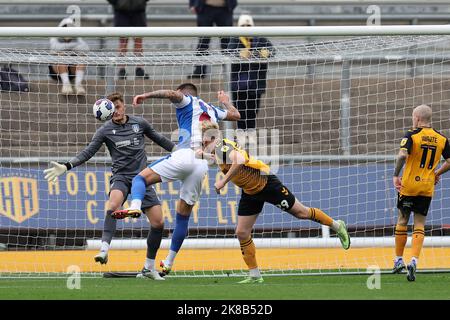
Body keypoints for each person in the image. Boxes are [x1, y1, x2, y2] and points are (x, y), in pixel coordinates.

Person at [197, 121, 351, 283]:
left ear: (210, 138)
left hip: (266, 183)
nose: (202, 141)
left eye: (203, 138)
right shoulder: (220, 149)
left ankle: (337, 226)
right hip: (251, 192)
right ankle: (255, 275)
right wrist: (203, 155)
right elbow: (217, 157)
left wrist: (223, 182)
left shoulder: (222, 146)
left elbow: (240, 159)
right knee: (242, 232)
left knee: (301, 213)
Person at [43, 92, 175, 280]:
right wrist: (67, 166)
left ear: (124, 106)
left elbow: (161, 140)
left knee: (158, 223)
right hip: (120, 177)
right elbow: (88, 152)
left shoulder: (140, 124)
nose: (115, 111)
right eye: (112, 109)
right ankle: (104, 249)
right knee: (113, 206)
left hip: (142, 178)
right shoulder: (105, 130)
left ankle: (148, 267)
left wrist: (181, 152)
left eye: (118, 107)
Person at [112, 83, 240, 276]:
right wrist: (226, 103)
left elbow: (171, 93)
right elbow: (236, 115)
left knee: (140, 179)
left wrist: (146, 94)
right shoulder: (213, 110)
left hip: (186, 154)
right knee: (183, 216)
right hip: (202, 164)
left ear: (183, 94)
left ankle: (136, 206)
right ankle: (168, 262)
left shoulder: (187, 101)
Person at [392, 104, 450, 281]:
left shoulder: (412, 134)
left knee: (402, 219)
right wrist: (436, 173)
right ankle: (414, 261)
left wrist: (395, 175)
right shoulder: (442, 139)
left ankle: (398, 260)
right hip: (426, 186)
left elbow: (402, 155)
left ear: (416, 118)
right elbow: (449, 161)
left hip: (409, 185)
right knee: (419, 224)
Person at [228, 14, 275, 130]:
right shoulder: (235, 39)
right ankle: (241, 136)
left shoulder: (260, 39)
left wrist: (265, 53)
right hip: (238, 84)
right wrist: (238, 54)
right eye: (243, 25)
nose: (246, 27)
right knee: (240, 112)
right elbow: (228, 52)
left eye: (248, 25)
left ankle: (251, 135)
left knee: (253, 112)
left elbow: (273, 51)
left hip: (256, 84)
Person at [188, 0, 238, 78]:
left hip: (225, 9)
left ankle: (229, 71)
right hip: (205, 8)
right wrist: (193, 4)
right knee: (203, 41)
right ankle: (199, 71)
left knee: (227, 41)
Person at [107, 0, 149, 79]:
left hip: (138, 10)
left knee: (138, 41)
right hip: (121, 11)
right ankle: (122, 69)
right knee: (123, 42)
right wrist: (116, 2)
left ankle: (139, 68)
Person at [49, 16, 90, 95]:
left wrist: (66, 47)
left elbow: (85, 49)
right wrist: (73, 46)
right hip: (56, 72)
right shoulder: (55, 36)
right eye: (66, 28)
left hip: (72, 70)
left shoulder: (77, 37)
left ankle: (78, 84)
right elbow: (54, 47)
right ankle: (66, 84)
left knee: (82, 56)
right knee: (61, 55)